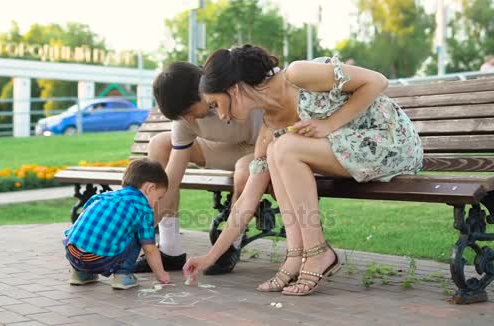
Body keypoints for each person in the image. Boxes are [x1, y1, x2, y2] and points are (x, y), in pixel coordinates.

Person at [185, 44, 423, 296]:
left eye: (215, 104)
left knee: (284, 147)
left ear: (233, 88)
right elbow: (247, 200)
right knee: (278, 149)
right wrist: (210, 256)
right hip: (352, 152)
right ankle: (295, 255)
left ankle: (318, 252)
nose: (220, 115)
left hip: (390, 141)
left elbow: (377, 81)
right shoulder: (268, 125)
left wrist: (329, 124)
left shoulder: (296, 76)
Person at [133, 61, 265, 275]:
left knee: (244, 169)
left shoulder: (233, 92)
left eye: (187, 111)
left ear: (202, 89)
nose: (187, 119)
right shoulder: (184, 119)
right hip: (223, 149)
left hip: (260, 146)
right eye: (180, 116)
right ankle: (169, 250)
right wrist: (140, 230)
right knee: (159, 143)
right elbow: (171, 181)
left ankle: (230, 246)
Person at [63, 158, 170, 290]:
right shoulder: (143, 209)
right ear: (150, 188)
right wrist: (161, 275)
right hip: (100, 259)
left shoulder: (102, 196)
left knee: (93, 234)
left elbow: (85, 220)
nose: (156, 203)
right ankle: (123, 275)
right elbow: (149, 249)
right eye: (158, 198)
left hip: (72, 253)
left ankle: (80, 274)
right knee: (139, 235)